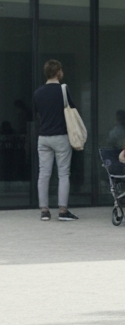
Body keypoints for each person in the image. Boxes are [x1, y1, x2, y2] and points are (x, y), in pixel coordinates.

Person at [33, 59, 78, 221]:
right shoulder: (63, 90)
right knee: (63, 173)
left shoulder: (38, 93)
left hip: (43, 137)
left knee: (43, 174)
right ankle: (63, 210)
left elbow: (36, 113)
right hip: (60, 136)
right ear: (58, 72)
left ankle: (44, 211)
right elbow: (72, 109)